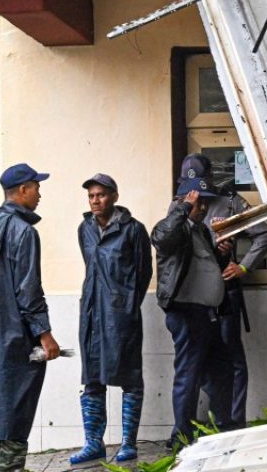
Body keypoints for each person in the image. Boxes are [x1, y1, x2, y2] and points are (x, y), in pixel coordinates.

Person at [0, 163, 60, 472]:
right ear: (22, 190)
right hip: (17, 341)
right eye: (36, 186)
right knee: (16, 420)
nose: (40, 193)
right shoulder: (24, 232)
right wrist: (45, 334)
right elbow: (29, 290)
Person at [180, 154, 267, 429]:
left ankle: (234, 422)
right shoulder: (177, 205)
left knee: (232, 359)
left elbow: (264, 233)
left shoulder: (230, 202)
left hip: (224, 292)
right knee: (197, 360)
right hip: (194, 296)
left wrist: (244, 267)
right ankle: (205, 423)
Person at [69, 174, 153, 465]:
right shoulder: (85, 229)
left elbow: (143, 274)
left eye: (101, 195)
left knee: (129, 377)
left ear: (114, 196)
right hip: (91, 313)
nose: (95, 201)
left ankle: (128, 443)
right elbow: (91, 267)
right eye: (91, 196)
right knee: (92, 377)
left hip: (121, 315)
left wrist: (127, 304)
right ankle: (93, 443)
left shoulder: (133, 230)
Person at [152, 172, 235, 446]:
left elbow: (206, 270)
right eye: (200, 203)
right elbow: (161, 238)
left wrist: (222, 253)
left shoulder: (200, 230)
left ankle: (221, 427)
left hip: (206, 314)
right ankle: (180, 435)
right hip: (186, 313)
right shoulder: (174, 227)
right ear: (185, 201)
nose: (204, 208)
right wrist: (183, 208)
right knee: (188, 373)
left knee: (222, 370)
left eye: (206, 203)